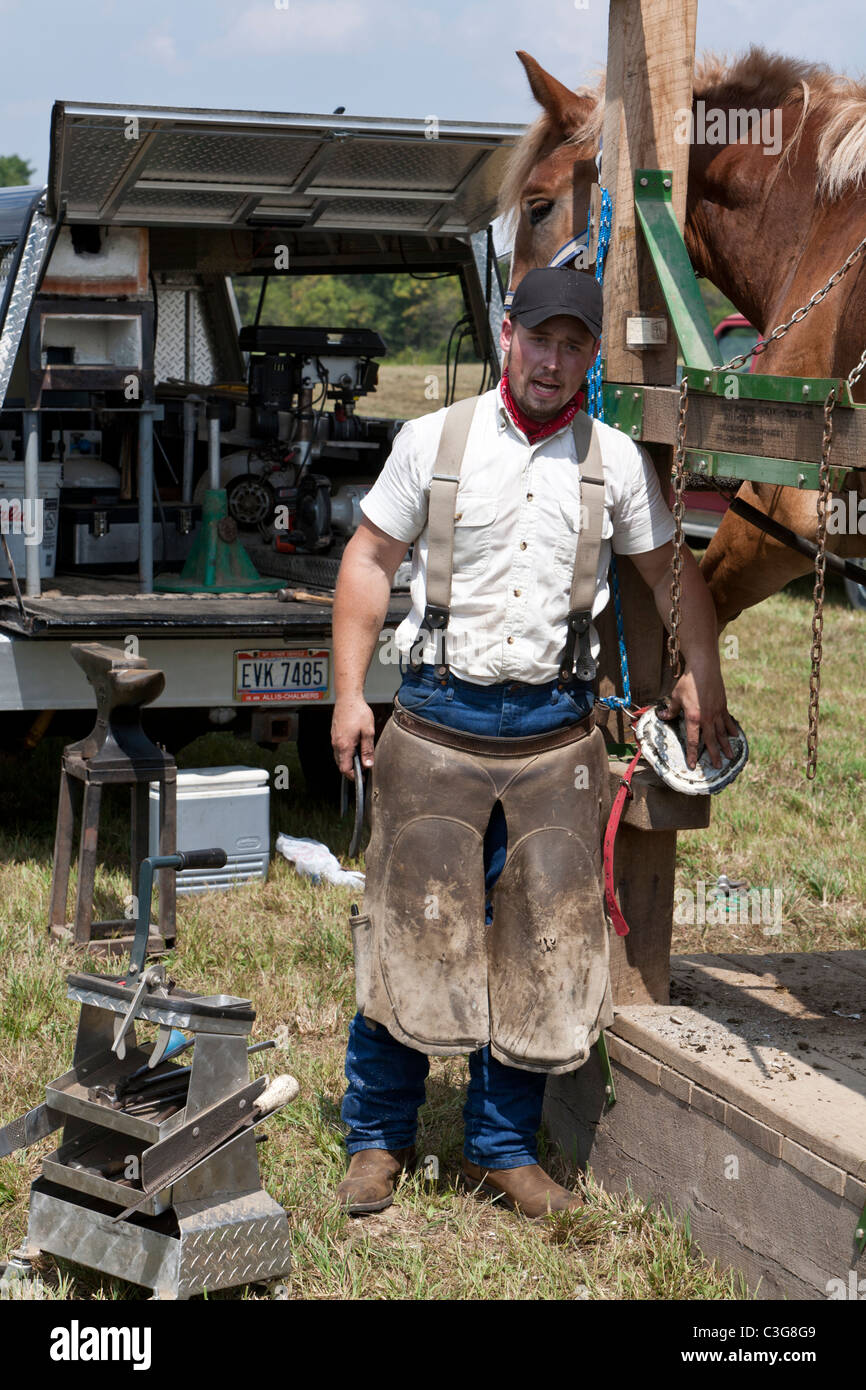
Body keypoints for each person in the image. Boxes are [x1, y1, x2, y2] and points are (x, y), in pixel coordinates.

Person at [330, 266, 738, 1218]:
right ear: (507, 334)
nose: (552, 362)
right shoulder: (433, 441)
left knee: (540, 946)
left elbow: (672, 573)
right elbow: (368, 558)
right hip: (435, 719)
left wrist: (700, 669)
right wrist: (348, 694)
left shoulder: (617, 464)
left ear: (592, 356)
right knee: (410, 933)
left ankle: (502, 1147)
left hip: (556, 737)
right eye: (538, 340)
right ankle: (378, 1138)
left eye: (574, 345)